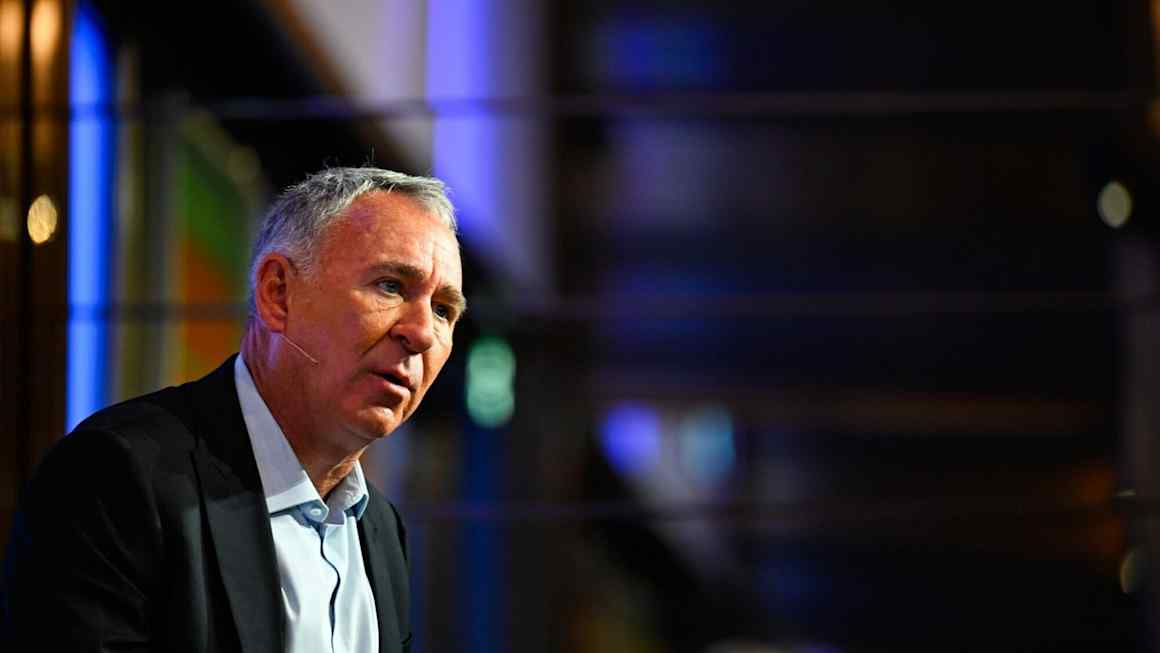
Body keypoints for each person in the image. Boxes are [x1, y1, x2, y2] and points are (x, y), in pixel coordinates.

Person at [1, 167, 466, 653]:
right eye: (391, 286)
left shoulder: (382, 529)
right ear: (277, 294)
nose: (422, 333)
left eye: (443, 310)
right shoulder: (115, 476)